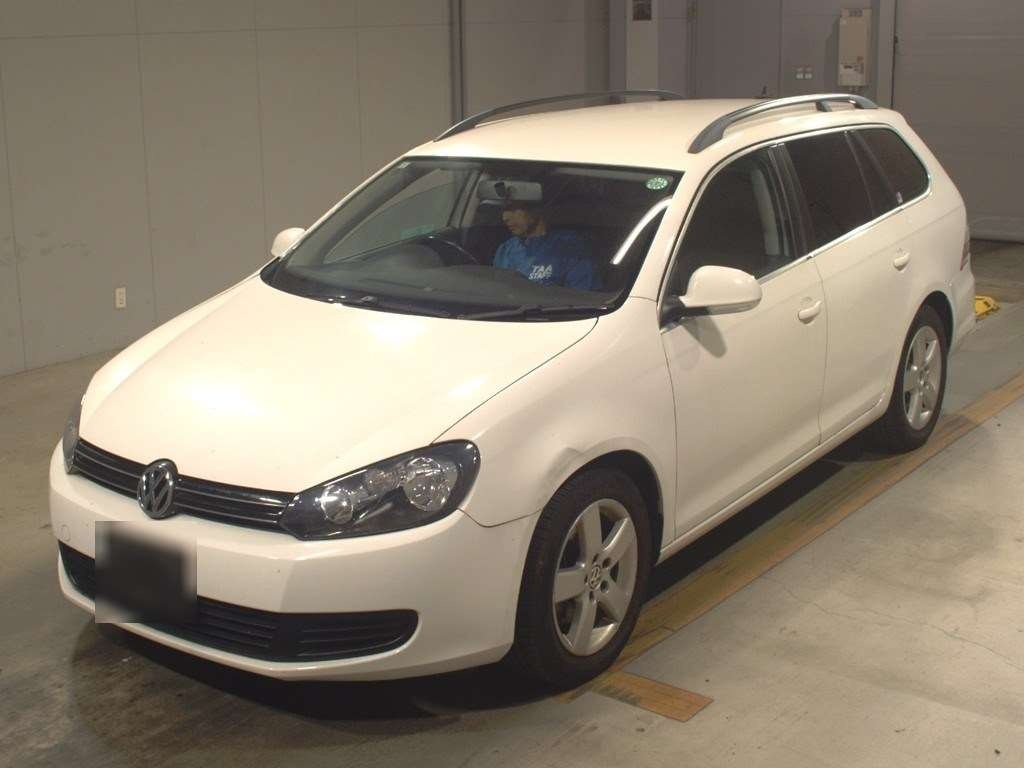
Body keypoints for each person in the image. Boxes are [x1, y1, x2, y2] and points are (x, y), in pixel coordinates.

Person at [493, 199, 598, 290]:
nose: (505, 218)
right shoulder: (506, 250)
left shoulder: (569, 246)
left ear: (535, 211)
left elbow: (583, 296)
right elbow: (498, 292)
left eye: (514, 209)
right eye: (504, 210)